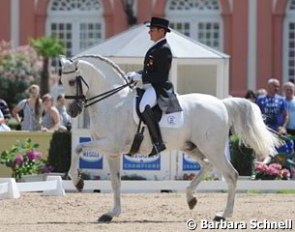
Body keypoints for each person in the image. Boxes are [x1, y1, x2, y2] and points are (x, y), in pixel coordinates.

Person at [126, 17, 182, 156]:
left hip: (158, 87)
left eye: (152, 30)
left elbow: (161, 76)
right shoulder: (156, 47)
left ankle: (158, 142)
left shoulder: (164, 49)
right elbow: (150, 70)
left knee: (143, 106)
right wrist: (136, 74)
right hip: (149, 86)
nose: (149, 32)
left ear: (161, 31)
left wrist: (141, 77)